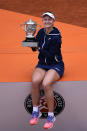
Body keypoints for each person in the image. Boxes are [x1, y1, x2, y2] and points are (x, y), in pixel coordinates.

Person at [29, 11, 64, 129]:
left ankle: (50, 116)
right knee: (34, 82)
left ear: (53, 21)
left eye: (49, 19)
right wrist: (32, 43)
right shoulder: (40, 32)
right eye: (45, 19)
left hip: (55, 65)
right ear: (43, 21)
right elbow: (35, 49)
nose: (47, 21)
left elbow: (50, 55)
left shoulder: (56, 36)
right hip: (42, 64)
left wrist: (38, 47)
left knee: (45, 84)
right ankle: (35, 112)